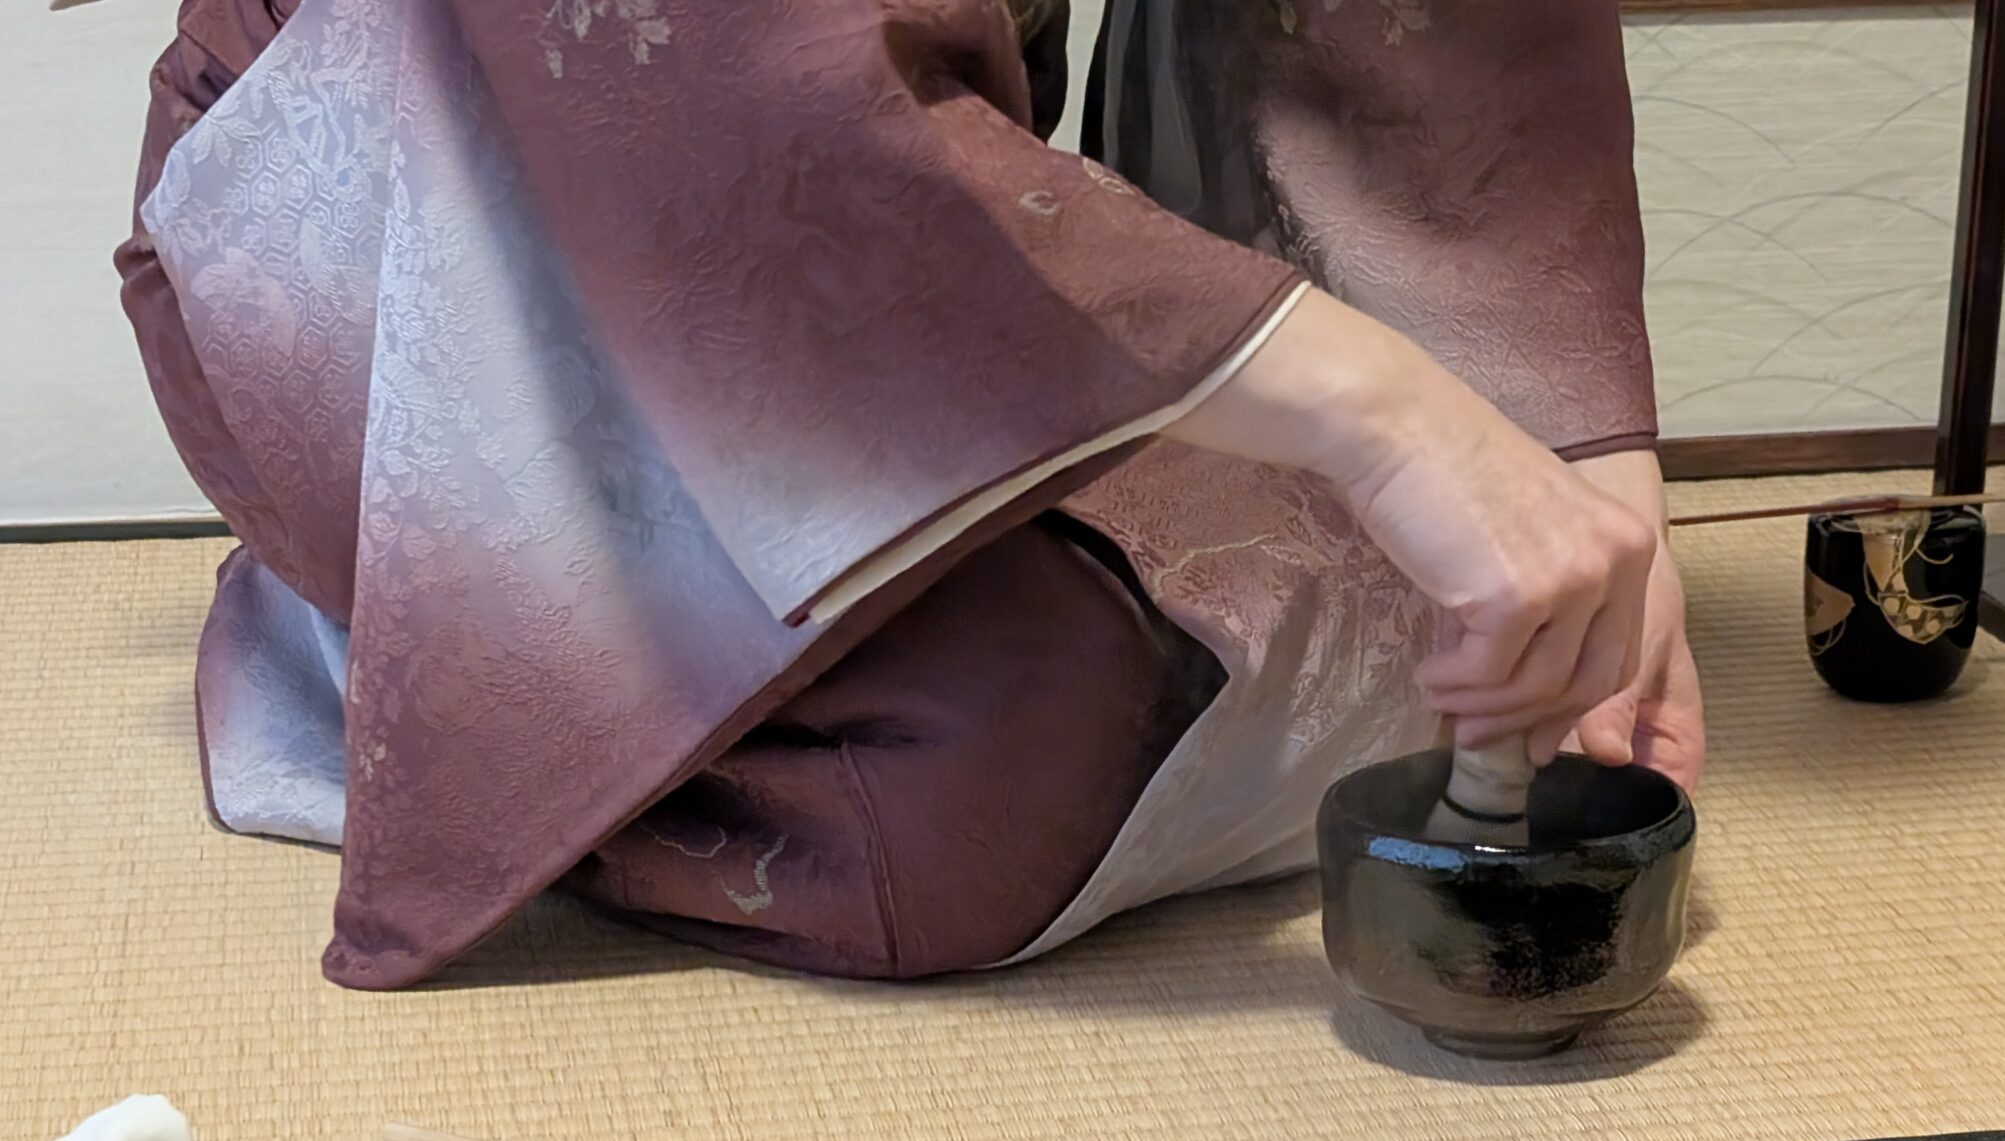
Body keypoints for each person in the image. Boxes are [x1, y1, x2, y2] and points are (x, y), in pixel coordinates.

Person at [112, 0, 1704, 989]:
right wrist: (1393, 420)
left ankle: (611, 638)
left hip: (886, 258)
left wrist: (1571, 467)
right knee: (1004, 758)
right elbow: (720, 68)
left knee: (1421, 608)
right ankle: (447, 640)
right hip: (449, 204)